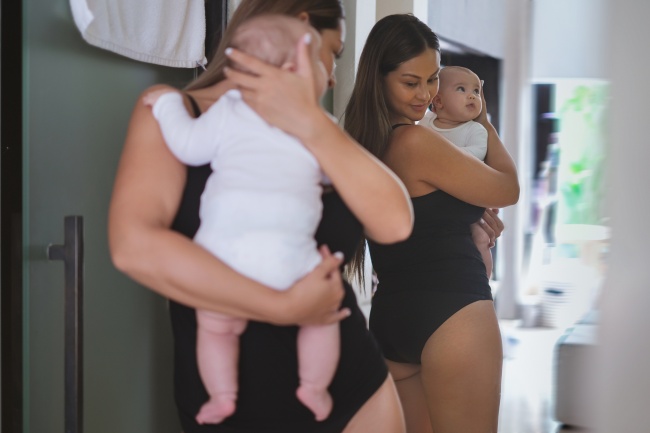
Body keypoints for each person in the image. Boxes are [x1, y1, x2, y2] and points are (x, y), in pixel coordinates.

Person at [108, 1, 414, 432]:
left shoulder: (316, 133)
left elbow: (395, 223)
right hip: (231, 408)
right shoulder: (181, 115)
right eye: (333, 52)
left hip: (353, 393)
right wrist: (283, 307)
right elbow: (133, 248)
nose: (331, 76)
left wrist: (309, 122)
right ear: (303, 34)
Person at [142, 14, 339, 424]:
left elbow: (189, 146)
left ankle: (221, 395)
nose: (330, 74)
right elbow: (334, 177)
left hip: (222, 261)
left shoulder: (229, 110)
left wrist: (167, 104)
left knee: (215, 328)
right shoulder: (319, 127)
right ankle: (314, 386)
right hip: (291, 261)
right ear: (294, 70)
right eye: (323, 60)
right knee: (320, 322)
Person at [342, 14, 519, 433]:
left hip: (391, 318)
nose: (425, 94)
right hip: (454, 315)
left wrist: (465, 216)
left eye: (433, 79)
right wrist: (482, 120)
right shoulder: (415, 141)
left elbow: (418, 220)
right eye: (411, 82)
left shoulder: (360, 143)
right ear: (379, 78)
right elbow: (507, 188)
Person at [419, 65, 494, 278]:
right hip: (433, 203)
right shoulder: (425, 123)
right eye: (462, 89)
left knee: (481, 237)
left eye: (476, 91)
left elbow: (478, 153)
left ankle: (484, 279)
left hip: (465, 201)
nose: (472, 96)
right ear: (438, 101)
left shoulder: (474, 129)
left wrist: (443, 156)